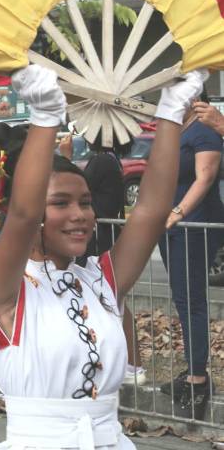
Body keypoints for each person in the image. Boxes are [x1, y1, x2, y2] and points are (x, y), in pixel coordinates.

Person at [0, 65, 205, 449]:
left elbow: (150, 209)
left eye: (85, 202)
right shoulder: (2, 285)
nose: (80, 215)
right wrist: (46, 117)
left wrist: (170, 112)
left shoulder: (100, 279)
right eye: (60, 203)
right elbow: (24, 215)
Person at [59, 135, 146, 385]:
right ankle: (122, 363)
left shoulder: (101, 162)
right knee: (108, 300)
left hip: (100, 241)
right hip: (102, 237)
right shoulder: (109, 160)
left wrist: (66, 158)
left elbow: (74, 188)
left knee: (112, 300)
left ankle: (132, 366)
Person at [157, 92, 224, 418]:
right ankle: (192, 368)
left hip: (194, 227)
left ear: (195, 96)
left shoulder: (205, 129)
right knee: (182, 300)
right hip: (172, 227)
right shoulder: (177, 129)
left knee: (192, 299)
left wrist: (178, 212)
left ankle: (198, 378)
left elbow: (206, 176)